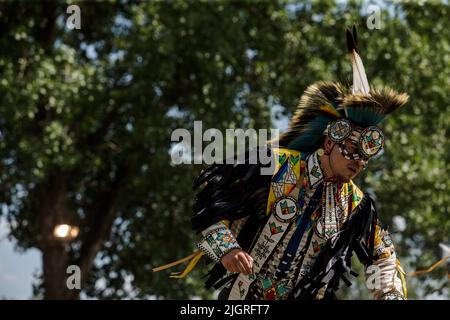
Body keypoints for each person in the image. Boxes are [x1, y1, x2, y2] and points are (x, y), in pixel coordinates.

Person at [156, 27, 409, 300]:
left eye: (365, 157)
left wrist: (390, 294)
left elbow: (382, 256)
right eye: (351, 151)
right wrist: (227, 249)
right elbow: (210, 203)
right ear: (328, 143)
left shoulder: (356, 205)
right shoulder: (275, 166)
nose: (358, 162)